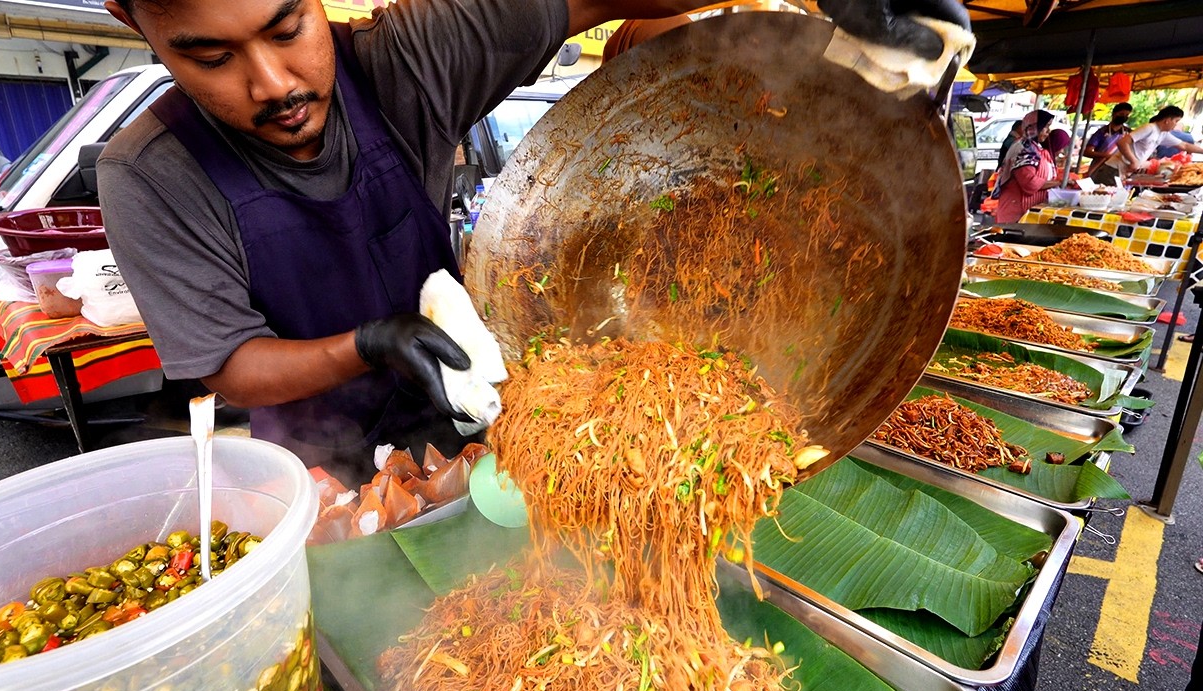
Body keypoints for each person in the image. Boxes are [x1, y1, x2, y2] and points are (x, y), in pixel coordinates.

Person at [95, 0, 971, 479]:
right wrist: (369, 344)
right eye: (211, 57)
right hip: (323, 468)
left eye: (289, 28)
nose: (274, 83)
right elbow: (229, 364)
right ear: (133, 21)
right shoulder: (147, 174)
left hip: (479, 425)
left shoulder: (404, 60)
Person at [993, 110, 1061, 224]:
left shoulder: (1035, 148)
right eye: (1045, 127)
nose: (1048, 131)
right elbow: (1029, 183)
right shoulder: (1024, 149)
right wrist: (1058, 182)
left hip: (1027, 212)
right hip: (1016, 213)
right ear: (1034, 127)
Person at [1110, 106, 1203, 179]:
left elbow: (1185, 146)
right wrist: (1134, 161)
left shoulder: (1163, 134)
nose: (1175, 125)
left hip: (1125, 171)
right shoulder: (1149, 128)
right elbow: (1122, 142)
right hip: (1114, 169)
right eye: (1176, 121)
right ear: (1167, 120)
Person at [1083, 101, 1133, 185]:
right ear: (1114, 114)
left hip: (1120, 170)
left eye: (1127, 115)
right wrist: (1106, 155)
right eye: (1121, 114)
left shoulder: (1129, 133)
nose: (1124, 117)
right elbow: (1087, 152)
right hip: (1099, 168)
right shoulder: (1101, 132)